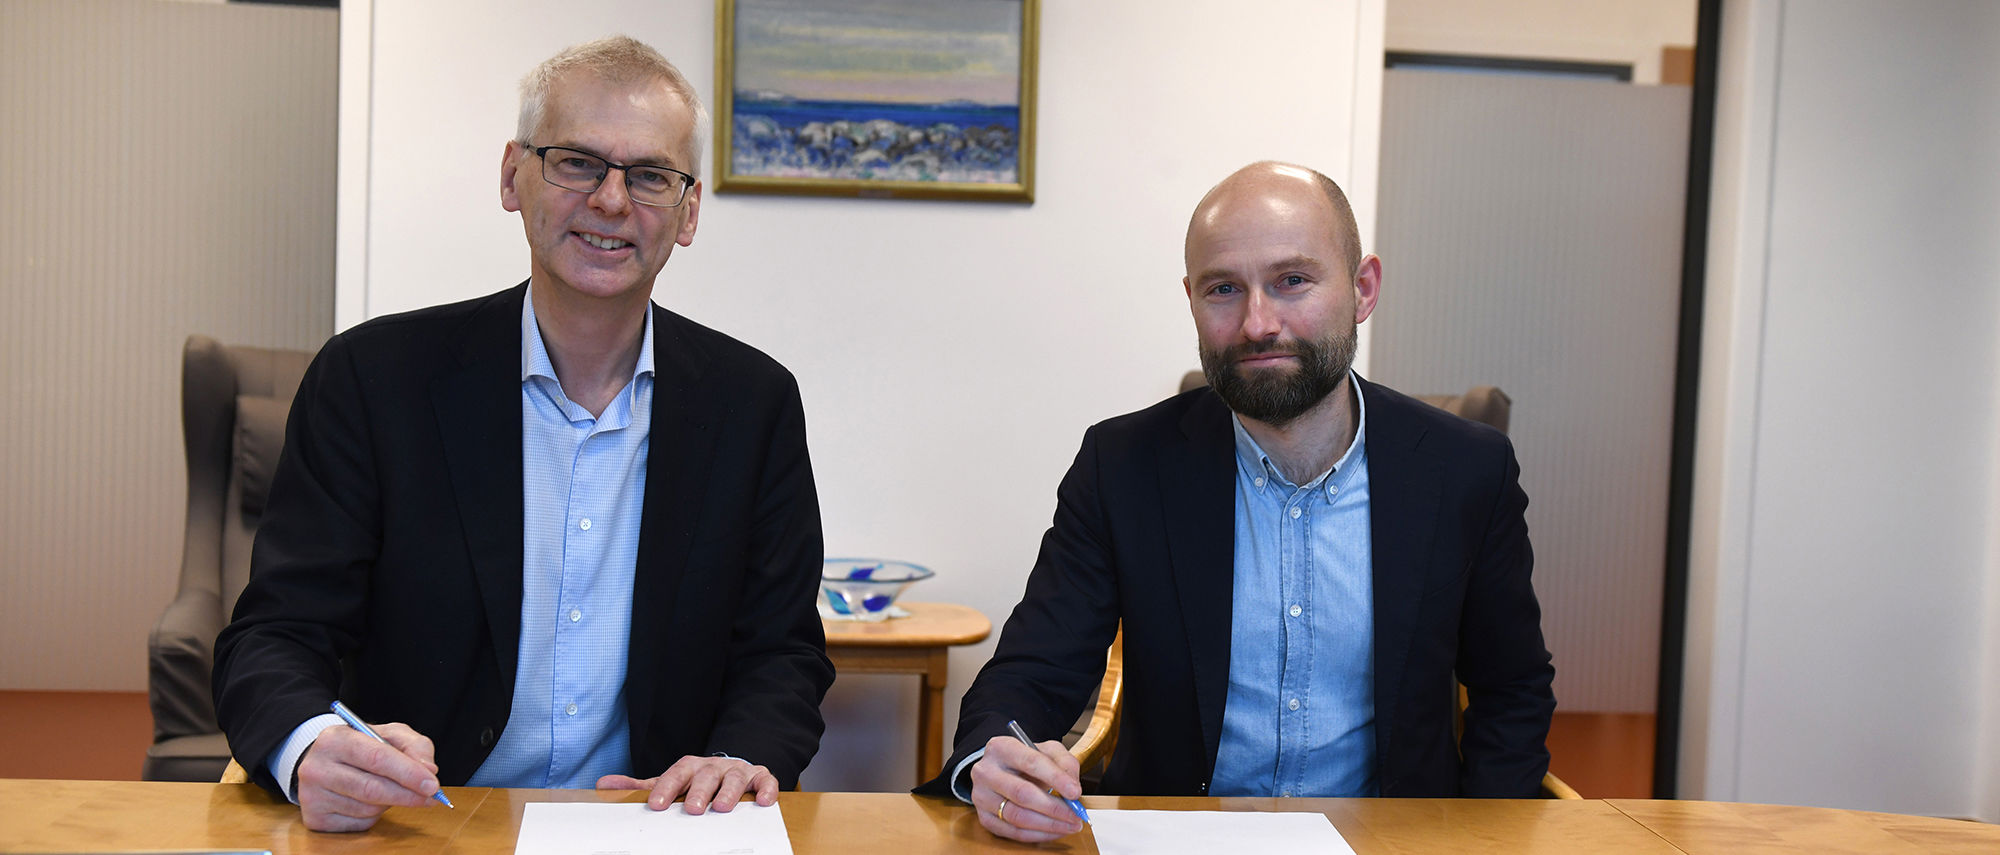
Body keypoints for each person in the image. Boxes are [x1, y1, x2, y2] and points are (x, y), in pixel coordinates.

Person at [212, 36, 834, 833]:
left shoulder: (755, 404)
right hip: (420, 824)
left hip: (647, 828)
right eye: (576, 161)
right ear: (513, 176)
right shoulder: (372, 379)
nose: (612, 200)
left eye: (649, 175)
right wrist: (312, 744)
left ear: (688, 212)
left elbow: (782, 652)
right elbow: (275, 634)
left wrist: (741, 755)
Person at [916, 162, 1556, 842]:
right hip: (1175, 838)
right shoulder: (1125, 465)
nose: (1257, 323)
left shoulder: (1466, 470)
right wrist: (995, 760)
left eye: (1293, 281)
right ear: (1191, 299)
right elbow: (1035, 669)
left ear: (1363, 289)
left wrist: (1482, 838)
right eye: (1224, 288)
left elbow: (1512, 689)